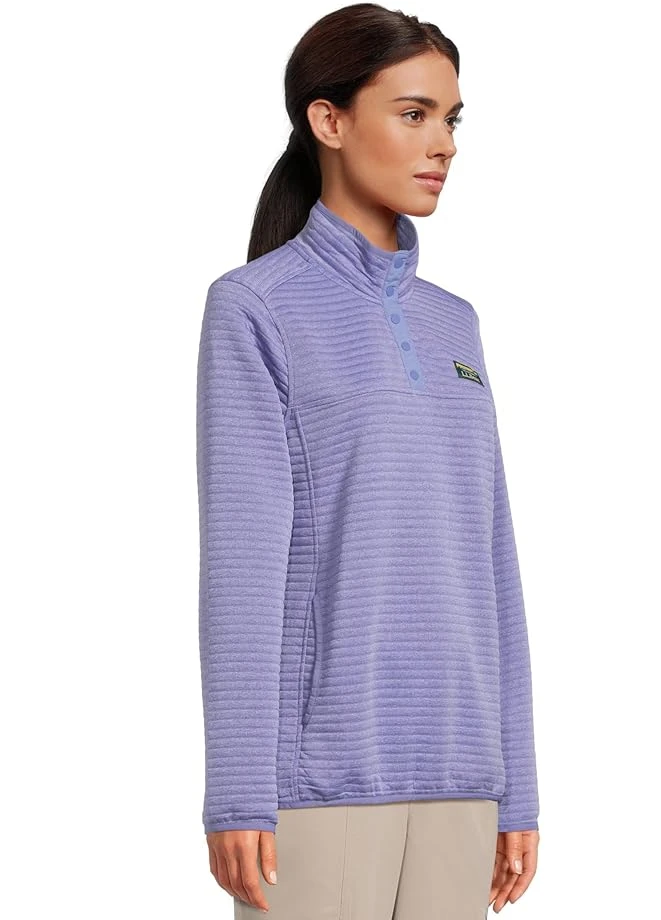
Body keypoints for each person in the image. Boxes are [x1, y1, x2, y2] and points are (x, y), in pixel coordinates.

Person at [196, 4, 541, 916]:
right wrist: (239, 788)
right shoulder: (256, 307)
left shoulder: (455, 323)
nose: (444, 144)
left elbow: (492, 559)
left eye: (451, 119)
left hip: (464, 775)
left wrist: (518, 783)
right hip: (320, 782)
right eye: (414, 113)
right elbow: (242, 562)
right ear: (330, 120)